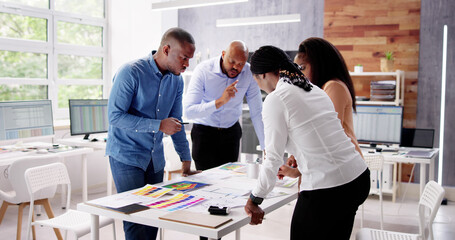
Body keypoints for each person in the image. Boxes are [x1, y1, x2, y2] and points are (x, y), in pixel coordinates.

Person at [244, 45, 370, 240]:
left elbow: (273, 158)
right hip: (358, 178)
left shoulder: (276, 98)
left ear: (264, 75)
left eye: (256, 80)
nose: (258, 86)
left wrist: (255, 198)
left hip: (329, 188)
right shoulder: (313, 89)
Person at [106, 27, 199, 240]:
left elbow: (175, 123)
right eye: (184, 58)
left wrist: (185, 157)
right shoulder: (130, 72)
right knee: (135, 219)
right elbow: (114, 117)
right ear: (166, 49)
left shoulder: (176, 80)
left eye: (189, 60)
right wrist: (158, 125)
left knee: (154, 217)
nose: (186, 65)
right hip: (126, 155)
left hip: (154, 158)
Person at [184, 40, 265, 171]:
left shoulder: (249, 73)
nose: (236, 68)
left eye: (240, 64)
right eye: (232, 62)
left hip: (231, 134)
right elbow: (189, 112)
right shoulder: (203, 71)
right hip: (204, 134)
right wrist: (220, 101)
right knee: (206, 182)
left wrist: (265, 146)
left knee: (230, 179)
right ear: (223, 54)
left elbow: (257, 111)